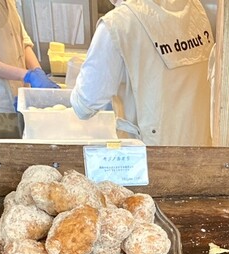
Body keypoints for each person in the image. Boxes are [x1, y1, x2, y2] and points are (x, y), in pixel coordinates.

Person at [70, 0, 216, 145]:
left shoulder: (118, 23)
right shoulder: (194, 7)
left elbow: (84, 105)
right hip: (201, 148)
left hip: (149, 153)